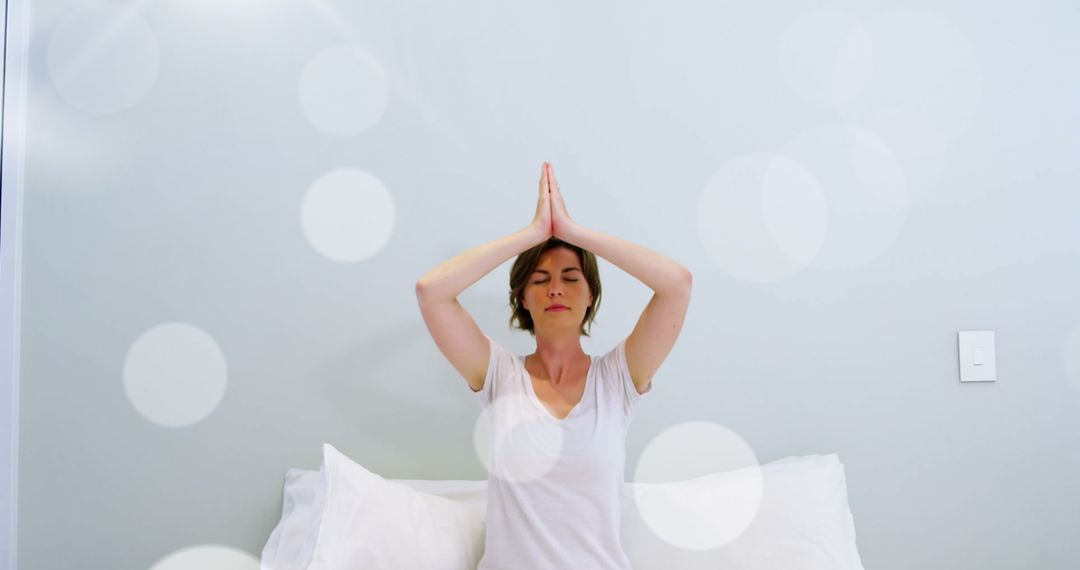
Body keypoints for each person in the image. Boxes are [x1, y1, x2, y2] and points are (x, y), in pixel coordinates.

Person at [415, 162, 692, 569]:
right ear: (523, 297)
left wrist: (571, 231)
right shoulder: (499, 377)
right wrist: (533, 233)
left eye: (570, 277)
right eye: (540, 279)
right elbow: (431, 291)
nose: (556, 288)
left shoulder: (616, 380)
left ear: (590, 295)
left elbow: (677, 284)